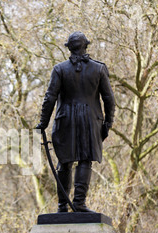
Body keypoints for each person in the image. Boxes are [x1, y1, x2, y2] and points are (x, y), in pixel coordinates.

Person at [36, 31, 115, 213]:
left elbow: (50, 98)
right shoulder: (99, 69)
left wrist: (43, 122)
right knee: (85, 160)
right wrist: (107, 124)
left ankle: (62, 206)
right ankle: (79, 203)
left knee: (64, 162)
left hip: (65, 120)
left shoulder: (59, 69)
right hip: (90, 120)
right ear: (85, 46)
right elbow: (109, 100)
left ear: (69, 48)